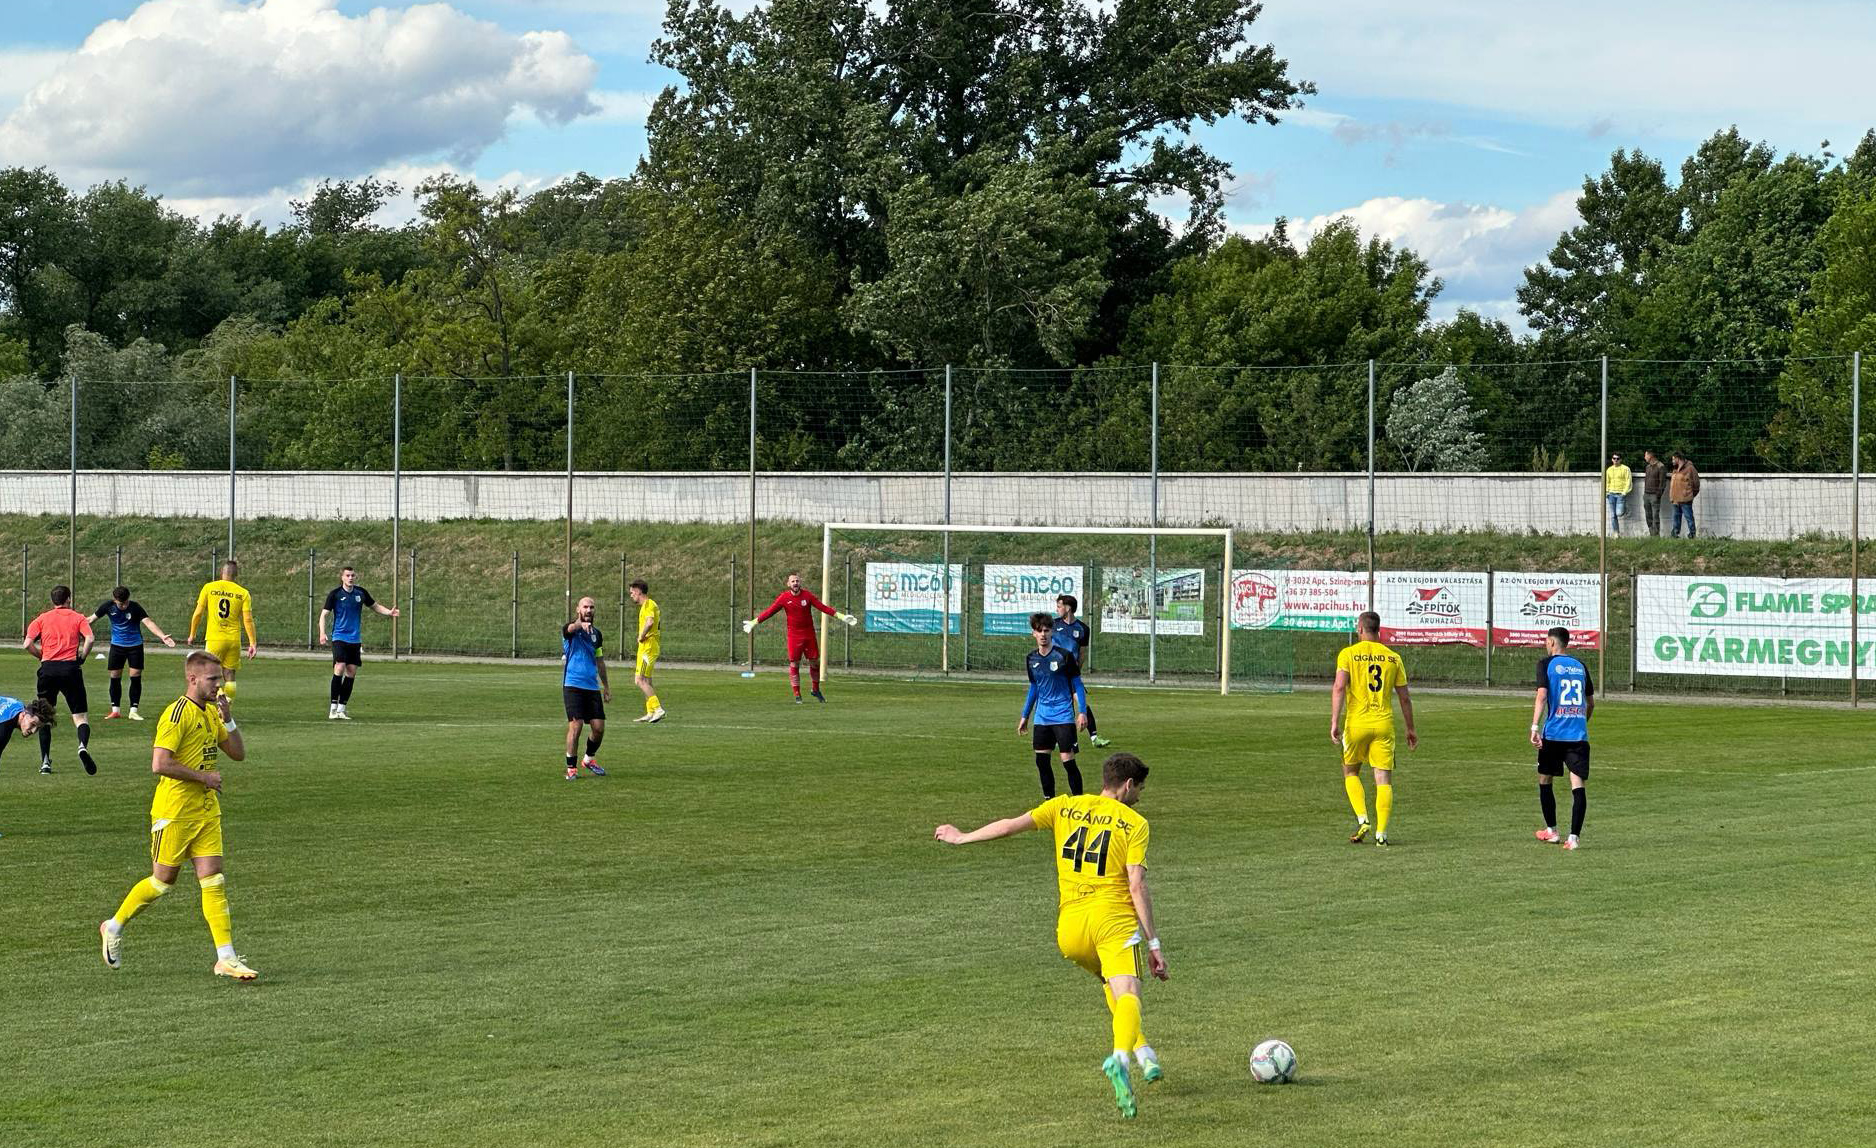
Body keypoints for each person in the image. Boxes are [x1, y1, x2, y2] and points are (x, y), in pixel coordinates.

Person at [933, 752, 1169, 1120]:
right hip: (1112, 920)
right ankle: (1121, 1058)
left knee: (1111, 984)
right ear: (1127, 785)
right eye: (1139, 789)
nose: (1139, 796)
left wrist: (962, 837)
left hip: (1070, 929)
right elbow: (1136, 884)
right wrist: (1153, 943)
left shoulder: (1063, 806)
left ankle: (1144, 1054)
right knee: (1129, 994)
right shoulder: (1135, 824)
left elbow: (1009, 826)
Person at [99, 651, 259, 980]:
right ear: (192, 678)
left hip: (206, 811)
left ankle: (225, 957)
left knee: (214, 880)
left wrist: (228, 719)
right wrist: (204, 777)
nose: (219, 685)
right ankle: (113, 925)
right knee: (162, 882)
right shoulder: (176, 714)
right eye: (212, 679)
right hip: (174, 812)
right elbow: (160, 763)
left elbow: (238, 754)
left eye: (220, 679)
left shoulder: (212, 712)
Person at [1329, 610, 1417, 846]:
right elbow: (1405, 697)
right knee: (1383, 779)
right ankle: (1381, 834)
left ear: (1360, 629)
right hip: (1383, 724)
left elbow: (1339, 687)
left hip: (1356, 724)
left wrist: (1335, 721)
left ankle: (1363, 818)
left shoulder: (1348, 654)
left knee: (1350, 772)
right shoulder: (1393, 658)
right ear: (1379, 630)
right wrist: (1410, 728)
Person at [743, 571, 857, 703]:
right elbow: (769, 612)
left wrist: (842, 617)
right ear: (788, 584)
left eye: (797, 581)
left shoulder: (807, 595)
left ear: (800, 582)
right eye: (793, 581)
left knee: (814, 662)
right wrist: (753, 622)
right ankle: (797, 694)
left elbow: (823, 608)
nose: (795, 583)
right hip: (794, 636)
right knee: (794, 663)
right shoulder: (784, 598)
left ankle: (815, 690)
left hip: (809, 634)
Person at [23, 585, 99, 775]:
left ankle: (45, 762)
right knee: (80, 717)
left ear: (53, 601)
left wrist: (41, 656)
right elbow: (90, 639)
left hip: (47, 670)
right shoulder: (78, 617)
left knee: (44, 716)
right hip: (70, 669)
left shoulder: (42, 618)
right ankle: (82, 746)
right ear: (69, 599)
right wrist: (82, 657)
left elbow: (27, 644)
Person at [1531, 625, 1593, 850]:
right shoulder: (1580, 665)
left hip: (1554, 734)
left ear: (1551, 642)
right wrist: (1580, 722)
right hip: (1578, 735)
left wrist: (1534, 726)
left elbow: (1542, 696)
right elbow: (1590, 703)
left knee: (1545, 779)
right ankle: (1573, 838)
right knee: (1578, 785)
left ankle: (1552, 831)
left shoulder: (1545, 664)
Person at [1020, 611, 1090, 798]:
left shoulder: (1064, 656)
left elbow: (1077, 684)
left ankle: (1078, 801)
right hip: (1042, 717)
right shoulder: (1031, 658)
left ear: (1052, 632)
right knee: (1042, 761)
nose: (1043, 634)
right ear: (1033, 633)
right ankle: (1049, 801)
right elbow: (1034, 687)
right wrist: (1025, 716)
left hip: (1063, 716)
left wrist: (1082, 712)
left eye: (1046, 630)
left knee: (1068, 761)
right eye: (1039, 631)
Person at [319, 565, 400, 720]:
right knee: (339, 666)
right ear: (342, 577)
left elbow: (375, 606)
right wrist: (322, 633)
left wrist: (389, 612)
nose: (350, 578)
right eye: (347, 575)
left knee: (351, 672)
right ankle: (333, 708)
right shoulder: (335, 594)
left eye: (353, 575)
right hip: (339, 637)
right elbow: (324, 615)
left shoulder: (360, 593)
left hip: (355, 639)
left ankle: (341, 709)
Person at [95, 586, 178, 721]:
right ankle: (115, 710)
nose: (123, 606)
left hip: (135, 647)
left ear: (128, 599)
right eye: (120, 603)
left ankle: (133, 711)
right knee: (115, 676)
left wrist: (162, 636)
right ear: (115, 600)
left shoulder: (135, 607)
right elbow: (90, 619)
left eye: (125, 603)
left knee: (135, 676)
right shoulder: (108, 606)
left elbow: (148, 622)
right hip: (117, 647)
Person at [188, 560, 257, 697]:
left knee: (209, 673)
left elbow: (198, 613)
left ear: (221, 572)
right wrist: (252, 643)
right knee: (229, 674)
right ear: (236, 575)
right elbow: (248, 620)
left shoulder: (209, 588)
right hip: (233, 639)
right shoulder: (243, 593)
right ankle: (227, 705)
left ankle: (217, 702)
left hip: (215, 638)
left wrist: (192, 634)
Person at [561, 596, 610, 780]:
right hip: (572, 685)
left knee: (599, 728)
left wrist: (606, 687)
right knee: (576, 726)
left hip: (592, 686)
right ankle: (571, 768)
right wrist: (579, 625)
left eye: (591, 607)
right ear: (578, 609)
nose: (588, 610)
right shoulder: (571, 630)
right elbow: (569, 629)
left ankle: (589, 759)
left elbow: (600, 661)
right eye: (585, 607)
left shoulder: (597, 634)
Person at [1053, 594, 1112, 748]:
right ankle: (1066, 740)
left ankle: (1094, 738)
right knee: (1062, 706)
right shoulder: (1053, 625)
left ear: (1068, 608)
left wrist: (1076, 670)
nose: (1057, 609)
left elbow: (1083, 652)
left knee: (1081, 701)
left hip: (1071, 673)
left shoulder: (1083, 629)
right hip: (1056, 674)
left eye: (1059, 606)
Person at [629, 580, 665, 723]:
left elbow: (650, 622)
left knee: (639, 679)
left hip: (648, 647)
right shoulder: (645, 606)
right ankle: (651, 712)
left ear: (638, 591)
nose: (631, 595)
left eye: (632, 592)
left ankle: (658, 709)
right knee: (647, 680)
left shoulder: (649, 604)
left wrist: (641, 635)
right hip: (646, 647)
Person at [0, 695, 55, 768]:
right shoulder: (4, 728)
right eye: (33, 724)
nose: (33, 731)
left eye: (38, 728)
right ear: (24, 714)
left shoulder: (18, 705)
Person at [1669, 452, 1701, 539]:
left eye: (1673, 459)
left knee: (1689, 518)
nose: (1672, 461)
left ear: (1678, 458)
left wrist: (1689, 494)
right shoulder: (1675, 469)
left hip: (1685, 499)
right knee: (1676, 519)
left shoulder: (1690, 468)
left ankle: (1692, 535)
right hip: (1675, 499)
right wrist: (1671, 496)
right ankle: (1675, 535)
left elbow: (1696, 484)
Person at [1640, 450, 1668, 536]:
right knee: (1648, 515)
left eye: (1645, 455)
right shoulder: (1647, 467)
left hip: (1654, 495)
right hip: (1646, 494)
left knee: (1655, 516)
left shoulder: (1660, 466)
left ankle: (1656, 535)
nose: (1644, 457)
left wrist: (1658, 495)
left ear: (1650, 456)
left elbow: (1662, 483)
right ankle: (1651, 533)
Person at [1604, 452, 1632, 535]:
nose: (1616, 460)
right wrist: (1607, 492)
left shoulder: (1625, 469)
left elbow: (1628, 481)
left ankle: (1625, 508)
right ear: (1612, 459)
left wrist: (1624, 492)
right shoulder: (1609, 470)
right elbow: (1607, 482)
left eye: (1617, 458)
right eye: (1614, 458)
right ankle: (1616, 533)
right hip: (1611, 494)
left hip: (1620, 494)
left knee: (1619, 513)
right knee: (1613, 515)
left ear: (1620, 460)